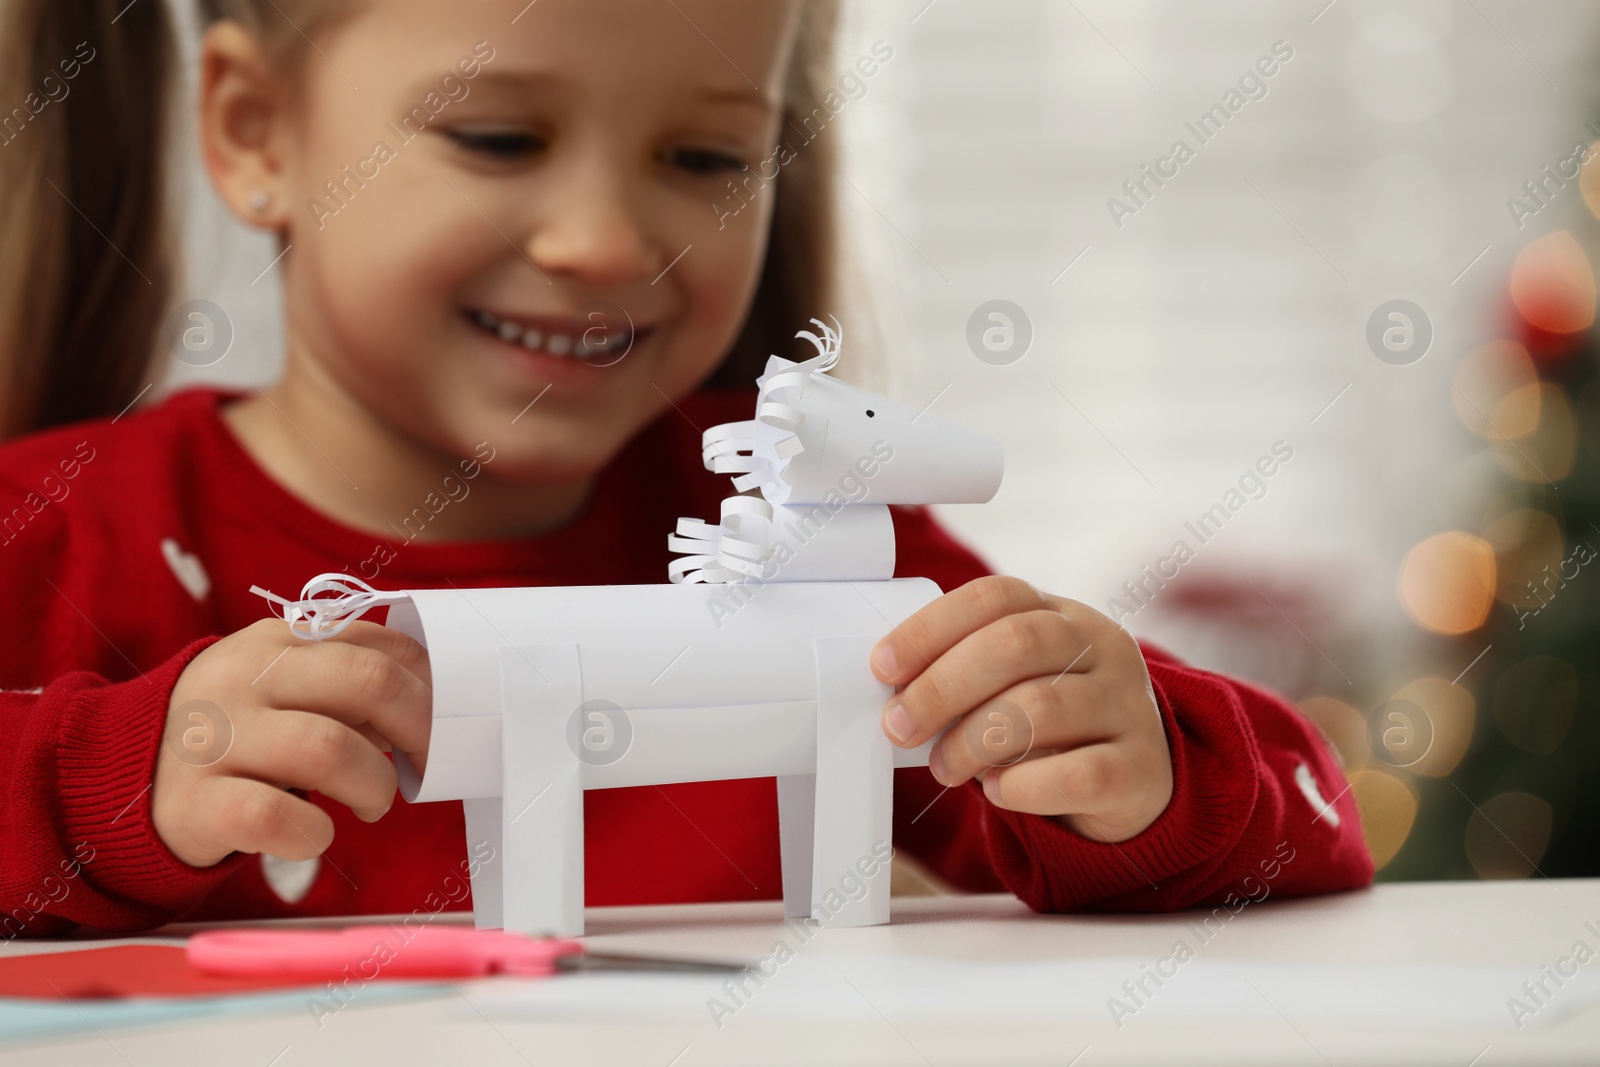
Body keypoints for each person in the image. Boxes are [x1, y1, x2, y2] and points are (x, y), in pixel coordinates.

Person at [0, 0, 1371, 936]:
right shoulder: (56, 540)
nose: (605, 239)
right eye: (497, 136)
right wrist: (105, 782)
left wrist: (1147, 770)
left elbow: (1313, 830)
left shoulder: (808, 542)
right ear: (253, 130)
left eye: (709, 155)